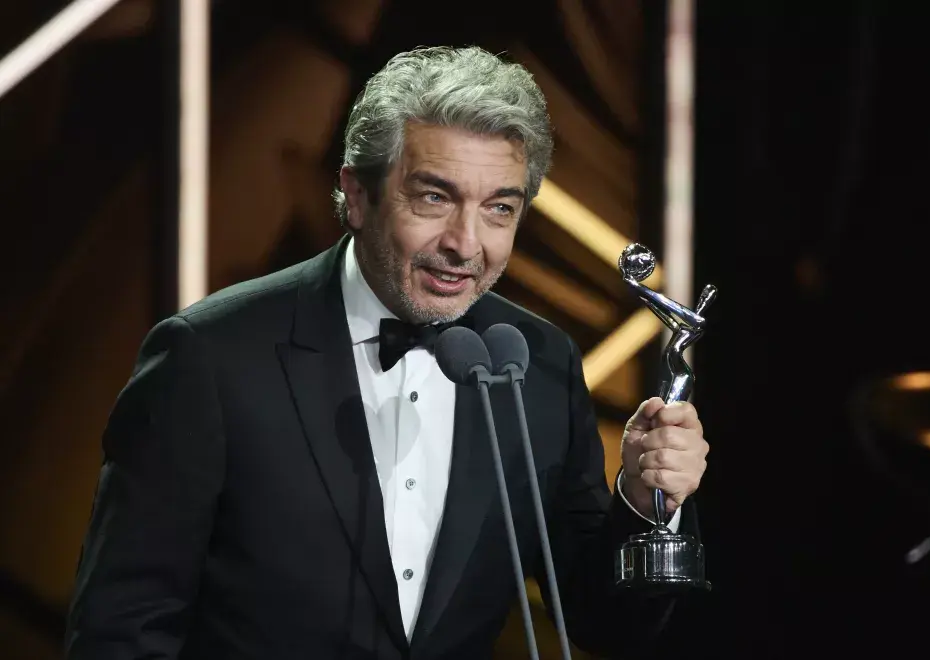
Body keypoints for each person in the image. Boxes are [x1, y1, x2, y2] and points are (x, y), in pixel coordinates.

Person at [65, 46, 709, 659]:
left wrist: (645, 502)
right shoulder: (207, 358)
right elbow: (120, 631)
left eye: (499, 209)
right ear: (358, 194)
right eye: (434, 197)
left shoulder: (539, 363)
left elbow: (602, 624)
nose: (465, 243)